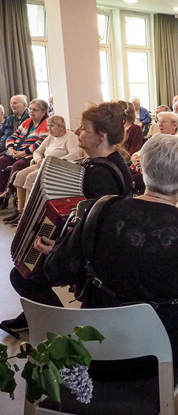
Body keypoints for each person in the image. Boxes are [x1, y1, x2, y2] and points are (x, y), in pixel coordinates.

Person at [43, 134, 178, 415]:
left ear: (142, 171)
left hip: (93, 346)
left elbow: (55, 271)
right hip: (158, 353)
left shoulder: (100, 210)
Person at [1, 101, 134, 334]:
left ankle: (61, 328)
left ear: (101, 136)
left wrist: (59, 247)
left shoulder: (101, 174)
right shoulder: (110, 164)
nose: (78, 132)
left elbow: (96, 229)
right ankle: (34, 315)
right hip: (101, 250)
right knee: (27, 271)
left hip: (97, 259)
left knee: (22, 274)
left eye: (84, 128)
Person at [4, 115, 80, 226]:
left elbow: (75, 154)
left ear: (61, 126)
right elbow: (37, 151)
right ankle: (20, 211)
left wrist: (55, 160)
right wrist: (38, 159)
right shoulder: (51, 137)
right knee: (20, 175)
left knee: (31, 177)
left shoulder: (70, 137)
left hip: (58, 167)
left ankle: (27, 215)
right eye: (48, 126)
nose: (49, 129)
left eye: (51, 126)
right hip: (44, 163)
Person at [0, 99, 49, 198]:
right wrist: (11, 149)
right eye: (30, 109)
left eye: (34, 110)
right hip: (15, 152)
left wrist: (22, 153)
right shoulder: (27, 122)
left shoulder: (47, 123)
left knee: (18, 165)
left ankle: (8, 192)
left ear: (43, 111)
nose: (31, 111)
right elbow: (12, 137)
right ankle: (1, 190)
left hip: (31, 155)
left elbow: (39, 144)